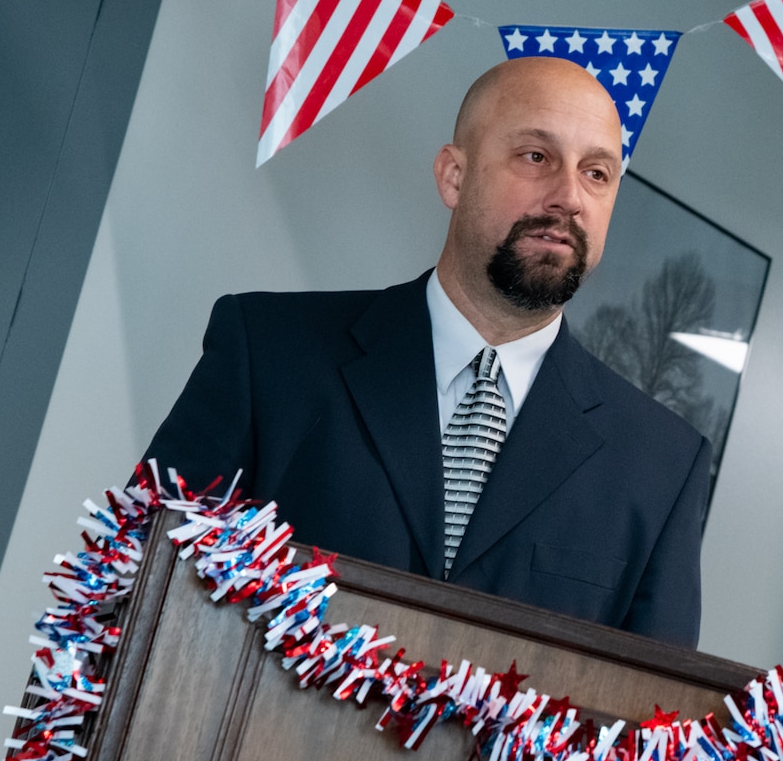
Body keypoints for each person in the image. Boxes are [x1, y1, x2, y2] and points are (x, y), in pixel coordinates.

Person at [144, 57, 712, 648]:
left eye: (598, 173)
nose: (569, 196)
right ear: (454, 176)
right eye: (536, 157)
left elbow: (652, 726)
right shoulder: (267, 351)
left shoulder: (663, 468)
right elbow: (132, 586)